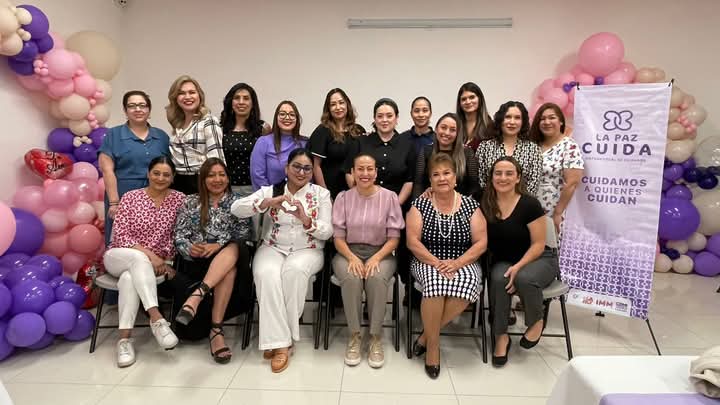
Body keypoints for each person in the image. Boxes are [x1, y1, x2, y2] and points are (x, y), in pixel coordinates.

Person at [231, 148, 332, 373]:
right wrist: (267, 202)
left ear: (312, 172)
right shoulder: (271, 190)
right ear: (286, 168)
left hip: (308, 249)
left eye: (307, 168)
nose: (301, 172)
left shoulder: (321, 194)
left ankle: (279, 342)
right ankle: (283, 343)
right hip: (273, 246)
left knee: (293, 272)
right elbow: (236, 209)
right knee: (265, 274)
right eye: (296, 166)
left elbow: (327, 232)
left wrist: (306, 220)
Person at [406, 152, 487, 379]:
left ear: (455, 178)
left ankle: (426, 337)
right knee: (434, 283)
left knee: (469, 283)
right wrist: (437, 263)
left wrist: (458, 263)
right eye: (436, 174)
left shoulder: (470, 205)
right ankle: (433, 348)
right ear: (430, 180)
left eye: (446, 173)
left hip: (463, 260)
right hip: (427, 259)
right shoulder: (420, 204)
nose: (442, 178)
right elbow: (412, 241)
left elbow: (481, 242)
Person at [102, 156, 185, 368]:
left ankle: (124, 341)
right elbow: (121, 235)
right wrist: (152, 257)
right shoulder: (130, 197)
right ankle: (157, 319)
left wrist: (166, 261)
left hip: (147, 267)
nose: (160, 178)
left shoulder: (180, 200)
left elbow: (180, 235)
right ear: (148, 174)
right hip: (119, 255)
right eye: (156, 173)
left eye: (166, 174)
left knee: (129, 279)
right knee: (138, 258)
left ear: (173, 177)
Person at [171, 158, 253, 364]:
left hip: (231, 257)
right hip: (198, 263)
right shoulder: (190, 201)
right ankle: (216, 330)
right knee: (227, 270)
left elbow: (245, 234)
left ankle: (197, 298)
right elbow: (179, 235)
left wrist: (218, 244)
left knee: (234, 248)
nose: (217, 179)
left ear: (228, 178)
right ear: (203, 179)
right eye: (211, 175)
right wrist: (190, 248)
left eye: (221, 175)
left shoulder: (238, 203)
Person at [480, 156, 558, 367]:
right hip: (505, 259)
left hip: (539, 258)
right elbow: (455, 199)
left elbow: (538, 244)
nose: (503, 178)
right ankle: (501, 336)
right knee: (498, 279)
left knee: (523, 277)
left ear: (518, 178)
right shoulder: (484, 201)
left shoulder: (530, 204)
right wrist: (430, 191)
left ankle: (536, 321)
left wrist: (518, 267)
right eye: (498, 173)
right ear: (491, 177)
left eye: (509, 173)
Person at [332, 153, 404, 368]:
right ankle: (354, 335)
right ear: (352, 172)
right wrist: (352, 257)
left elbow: (394, 238)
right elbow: (338, 238)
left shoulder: (389, 197)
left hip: (381, 252)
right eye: (360, 169)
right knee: (352, 277)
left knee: (376, 277)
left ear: (376, 172)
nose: (365, 173)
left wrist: (376, 257)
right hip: (347, 251)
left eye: (369, 169)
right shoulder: (343, 198)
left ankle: (375, 337)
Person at [98, 90, 170, 246]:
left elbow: (169, 170)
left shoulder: (162, 136)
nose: (138, 109)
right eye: (132, 106)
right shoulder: (113, 134)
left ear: (149, 110)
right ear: (125, 111)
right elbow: (107, 170)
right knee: (122, 244)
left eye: (142, 105)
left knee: (154, 241)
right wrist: (114, 202)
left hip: (156, 196)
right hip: (122, 197)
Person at [529, 103, 584, 232]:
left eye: (552, 117)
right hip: (530, 209)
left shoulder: (569, 146)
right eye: (542, 119)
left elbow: (572, 183)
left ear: (561, 122)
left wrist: (558, 212)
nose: (547, 122)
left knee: (550, 243)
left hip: (553, 210)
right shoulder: (534, 145)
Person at [166, 75, 224, 194]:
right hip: (177, 183)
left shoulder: (208, 121)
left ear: (199, 96)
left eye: (192, 92)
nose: (187, 97)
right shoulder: (178, 125)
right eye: (181, 93)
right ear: (175, 98)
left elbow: (216, 160)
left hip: (199, 182)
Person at [308, 88, 365, 199]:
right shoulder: (322, 131)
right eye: (333, 104)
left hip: (355, 193)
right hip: (330, 192)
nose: (338, 107)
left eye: (341, 102)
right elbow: (316, 166)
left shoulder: (358, 131)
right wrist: (325, 195)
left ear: (347, 104)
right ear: (328, 109)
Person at [476, 101, 542, 195]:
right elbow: (480, 180)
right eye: (508, 117)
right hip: (489, 201)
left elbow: (533, 183)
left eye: (517, 118)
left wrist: (518, 202)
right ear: (500, 120)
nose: (512, 122)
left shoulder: (533, 149)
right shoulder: (485, 147)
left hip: (523, 202)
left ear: (523, 122)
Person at [219, 83, 272, 197]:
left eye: (246, 98)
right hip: (227, 189)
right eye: (237, 98)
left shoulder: (263, 128)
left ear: (253, 103)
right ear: (231, 102)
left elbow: (268, 161)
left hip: (255, 189)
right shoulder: (221, 128)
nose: (241, 102)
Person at [412, 113, 479, 200]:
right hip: (431, 202)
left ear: (457, 133)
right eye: (443, 127)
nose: (447, 133)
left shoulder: (467, 153)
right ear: (436, 129)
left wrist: (465, 204)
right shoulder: (426, 151)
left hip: (461, 203)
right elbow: (418, 184)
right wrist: (418, 202)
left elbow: (474, 186)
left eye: (452, 130)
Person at [250, 101, 307, 190]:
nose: (287, 117)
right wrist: (272, 196)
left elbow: (310, 176)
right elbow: (257, 176)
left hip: (301, 196)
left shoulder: (305, 143)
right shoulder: (263, 142)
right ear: (276, 118)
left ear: (297, 119)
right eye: (282, 114)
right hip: (270, 196)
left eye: (292, 115)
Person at [456, 82, 493, 152]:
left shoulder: (490, 126)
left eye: (472, 97)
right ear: (459, 103)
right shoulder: (455, 126)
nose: (468, 102)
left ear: (480, 99)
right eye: (463, 99)